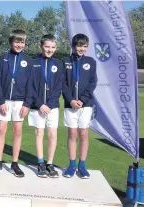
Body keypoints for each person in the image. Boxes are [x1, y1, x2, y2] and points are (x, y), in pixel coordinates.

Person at [0, 29, 33, 177]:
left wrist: (27, 104)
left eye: (22, 42)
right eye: (17, 41)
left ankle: (14, 163)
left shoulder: (28, 61)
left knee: (17, 131)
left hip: (20, 102)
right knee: (1, 129)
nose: (19, 44)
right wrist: (0, 101)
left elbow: (31, 84)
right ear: (11, 42)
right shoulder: (3, 59)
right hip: (5, 101)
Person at [27, 34, 64, 178]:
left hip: (52, 107)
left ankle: (50, 163)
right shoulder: (33, 63)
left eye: (53, 47)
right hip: (37, 107)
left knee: (52, 134)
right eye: (47, 46)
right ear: (41, 46)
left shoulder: (58, 64)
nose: (50, 50)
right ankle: (40, 163)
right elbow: (30, 86)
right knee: (39, 133)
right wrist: (39, 103)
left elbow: (59, 86)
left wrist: (49, 104)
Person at [62, 33, 97, 179]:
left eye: (84, 46)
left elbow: (92, 82)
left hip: (86, 104)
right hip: (70, 104)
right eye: (79, 45)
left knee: (83, 133)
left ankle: (82, 166)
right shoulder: (65, 61)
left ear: (87, 47)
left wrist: (82, 99)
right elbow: (62, 83)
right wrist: (70, 100)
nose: (81, 48)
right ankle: (71, 165)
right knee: (72, 133)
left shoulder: (91, 61)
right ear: (73, 45)